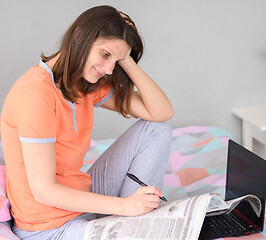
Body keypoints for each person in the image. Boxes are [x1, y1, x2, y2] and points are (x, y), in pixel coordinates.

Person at [0, 5, 174, 239]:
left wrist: (125, 56)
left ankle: (136, 216)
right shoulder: (35, 93)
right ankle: (133, 220)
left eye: (115, 61)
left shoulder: (82, 84)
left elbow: (161, 112)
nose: (109, 69)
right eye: (105, 54)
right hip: (49, 226)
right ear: (81, 36)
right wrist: (124, 207)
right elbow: (44, 191)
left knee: (156, 129)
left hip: (81, 199)